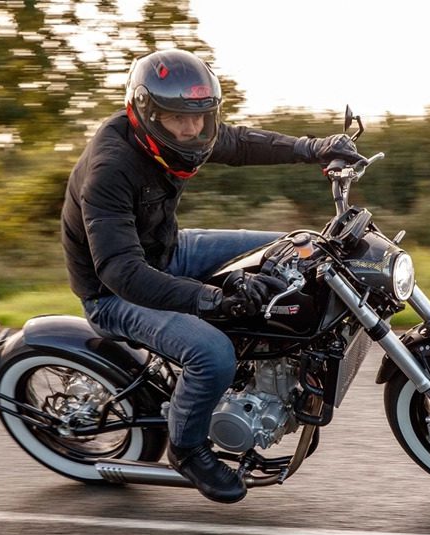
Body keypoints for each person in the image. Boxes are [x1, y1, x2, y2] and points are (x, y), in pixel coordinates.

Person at [61, 48, 363, 503]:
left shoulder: (187, 133)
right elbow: (120, 271)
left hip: (169, 252)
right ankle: (186, 449)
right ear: (147, 113)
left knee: (293, 249)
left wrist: (313, 147)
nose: (192, 129)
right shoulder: (111, 168)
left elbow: (240, 143)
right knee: (212, 354)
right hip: (114, 293)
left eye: (201, 117)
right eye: (177, 118)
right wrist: (210, 299)